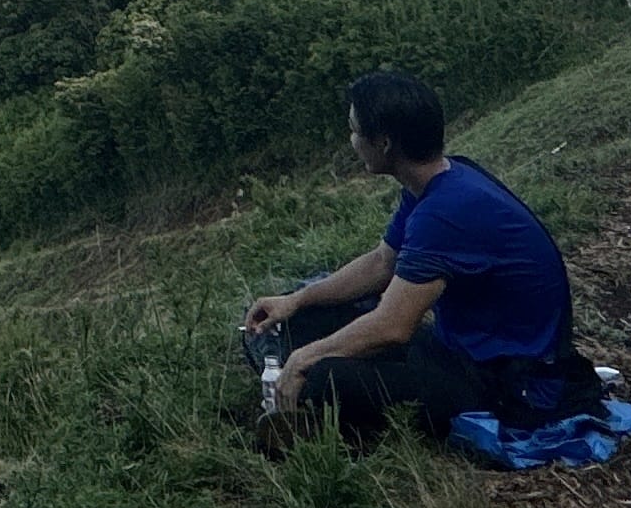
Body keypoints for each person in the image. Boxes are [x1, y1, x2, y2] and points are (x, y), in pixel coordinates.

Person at [239, 71, 597, 444]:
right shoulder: (436, 180)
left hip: (503, 379)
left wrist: (305, 359)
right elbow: (382, 263)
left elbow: (393, 326)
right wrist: (296, 300)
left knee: (324, 378)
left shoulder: (446, 211)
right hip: (455, 346)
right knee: (307, 317)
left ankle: (326, 430)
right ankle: (306, 403)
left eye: (355, 130)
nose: (352, 141)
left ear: (384, 143)